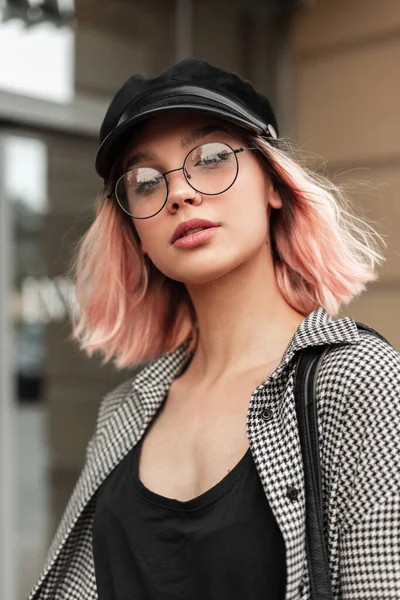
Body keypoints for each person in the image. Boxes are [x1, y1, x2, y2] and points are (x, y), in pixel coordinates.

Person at [28, 58, 400, 600]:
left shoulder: (358, 383)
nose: (179, 193)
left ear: (273, 183)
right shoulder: (124, 412)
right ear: (135, 233)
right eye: (146, 181)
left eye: (210, 158)